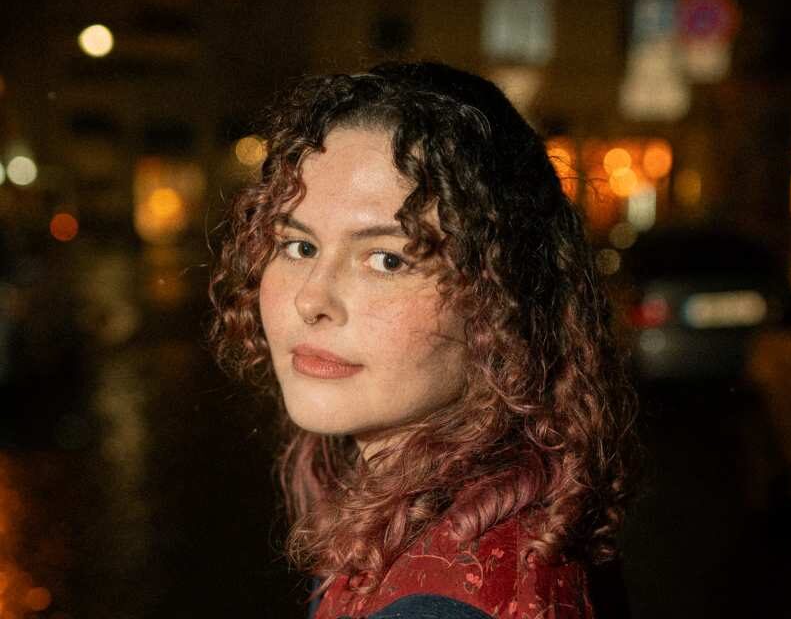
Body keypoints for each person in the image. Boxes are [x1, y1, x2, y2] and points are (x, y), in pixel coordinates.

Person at [209, 62, 638, 619]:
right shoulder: (493, 507)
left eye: (387, 259)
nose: (311, 299)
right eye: (299, 246)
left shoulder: (439, 602)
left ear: (500, 299)